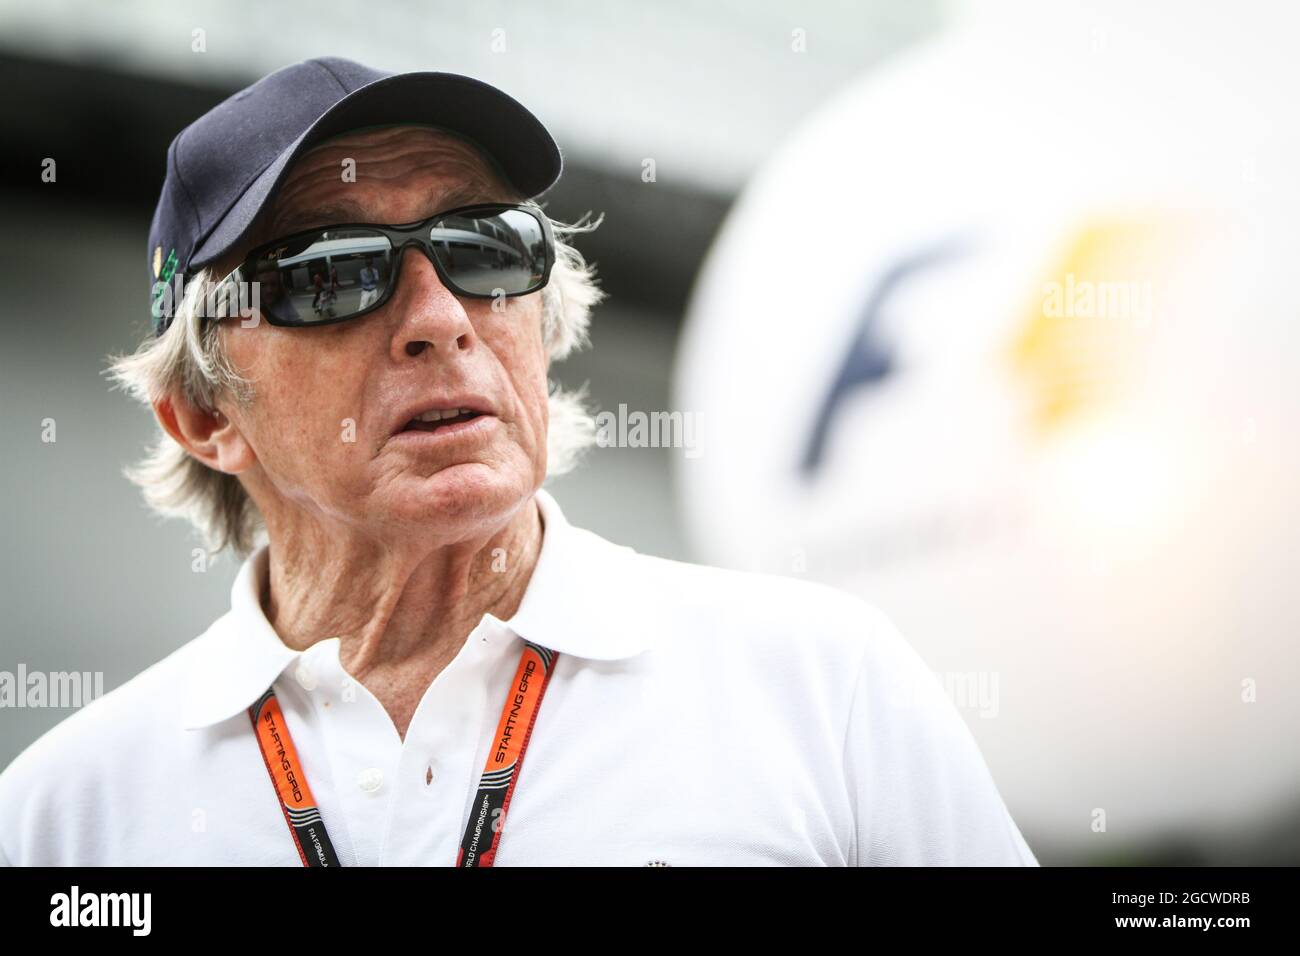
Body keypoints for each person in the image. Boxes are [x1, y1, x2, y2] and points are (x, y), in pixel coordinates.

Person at [0, 57, 1036, 867]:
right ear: (199, 413)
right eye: (332, 275)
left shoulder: (820, 684)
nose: (440, 318)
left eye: (485, 247)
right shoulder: (64, 814)